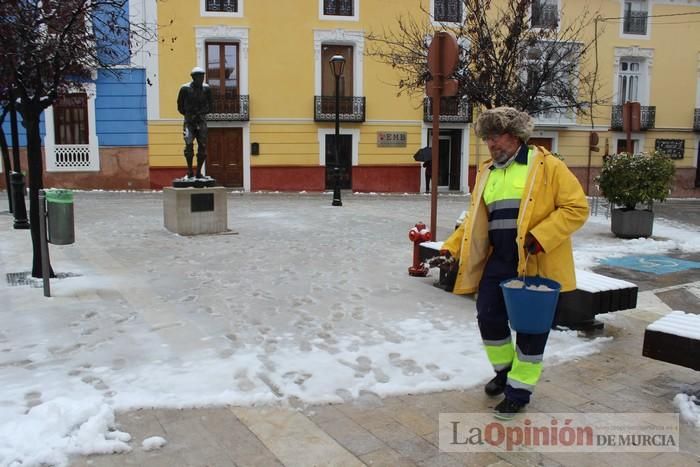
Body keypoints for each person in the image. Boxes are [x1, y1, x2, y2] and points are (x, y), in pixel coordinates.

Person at [439, 107, 589, 419]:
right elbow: (474, 222)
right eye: (487, 138)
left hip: (536, 260)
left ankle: (519, 392)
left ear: (516, 135)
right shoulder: (487, 172)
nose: (492, 143)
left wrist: (541, 235)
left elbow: (576, 207)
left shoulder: (547, 166)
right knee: (488, 315)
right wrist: (451, 248)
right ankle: (505, 371)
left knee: (532, 330)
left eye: (498, 136)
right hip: (499, 259)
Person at [177, 67, 213, 179]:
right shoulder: (185, 89)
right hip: (189, 122)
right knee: (188, 145)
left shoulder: (207, 89)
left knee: (203, 146)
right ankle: (189, 172)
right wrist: (190, 115)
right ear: (193, 77)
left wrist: (201, 113)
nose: (201, 79)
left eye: (202, 77)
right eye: (199, 77)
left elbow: (211, 105)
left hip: (201, 122)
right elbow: (180, 106)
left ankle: (198, 172)